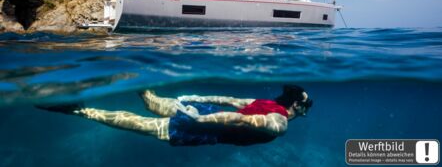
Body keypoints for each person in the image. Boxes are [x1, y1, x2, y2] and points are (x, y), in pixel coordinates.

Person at [38, 85, 313, 146]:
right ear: (296, 107)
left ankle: (129, 74)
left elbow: (228, 100)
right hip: (204, 126)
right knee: (141, 123)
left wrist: (196, 99)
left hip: (207, 113)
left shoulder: (261, 101)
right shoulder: (280, 123)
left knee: (150, 101)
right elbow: (239, 119)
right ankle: (77, 109)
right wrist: (200, 119)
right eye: (305, 108)